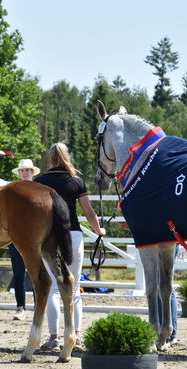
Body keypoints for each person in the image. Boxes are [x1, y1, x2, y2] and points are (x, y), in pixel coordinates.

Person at [34, 142, 106, 350]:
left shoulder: (40, 182)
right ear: (67, 157)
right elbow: (89, 212)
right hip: (73, 235)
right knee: (74, 290)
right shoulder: (76, 181)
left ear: (50, 159)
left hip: (49, 238)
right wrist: (99, 230)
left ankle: (54, 336)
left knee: (55, 288)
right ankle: (76, 334)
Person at [0, 157, 40, 320]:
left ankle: (39, 306)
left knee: (37, 273)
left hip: (35, 237)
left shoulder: (39, 188)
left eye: (27, 170)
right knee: (19, 273)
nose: (24, 173)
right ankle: (20, 307)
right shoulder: (13, 187)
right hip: (16, 237)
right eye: (22, 170)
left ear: (31, 172)